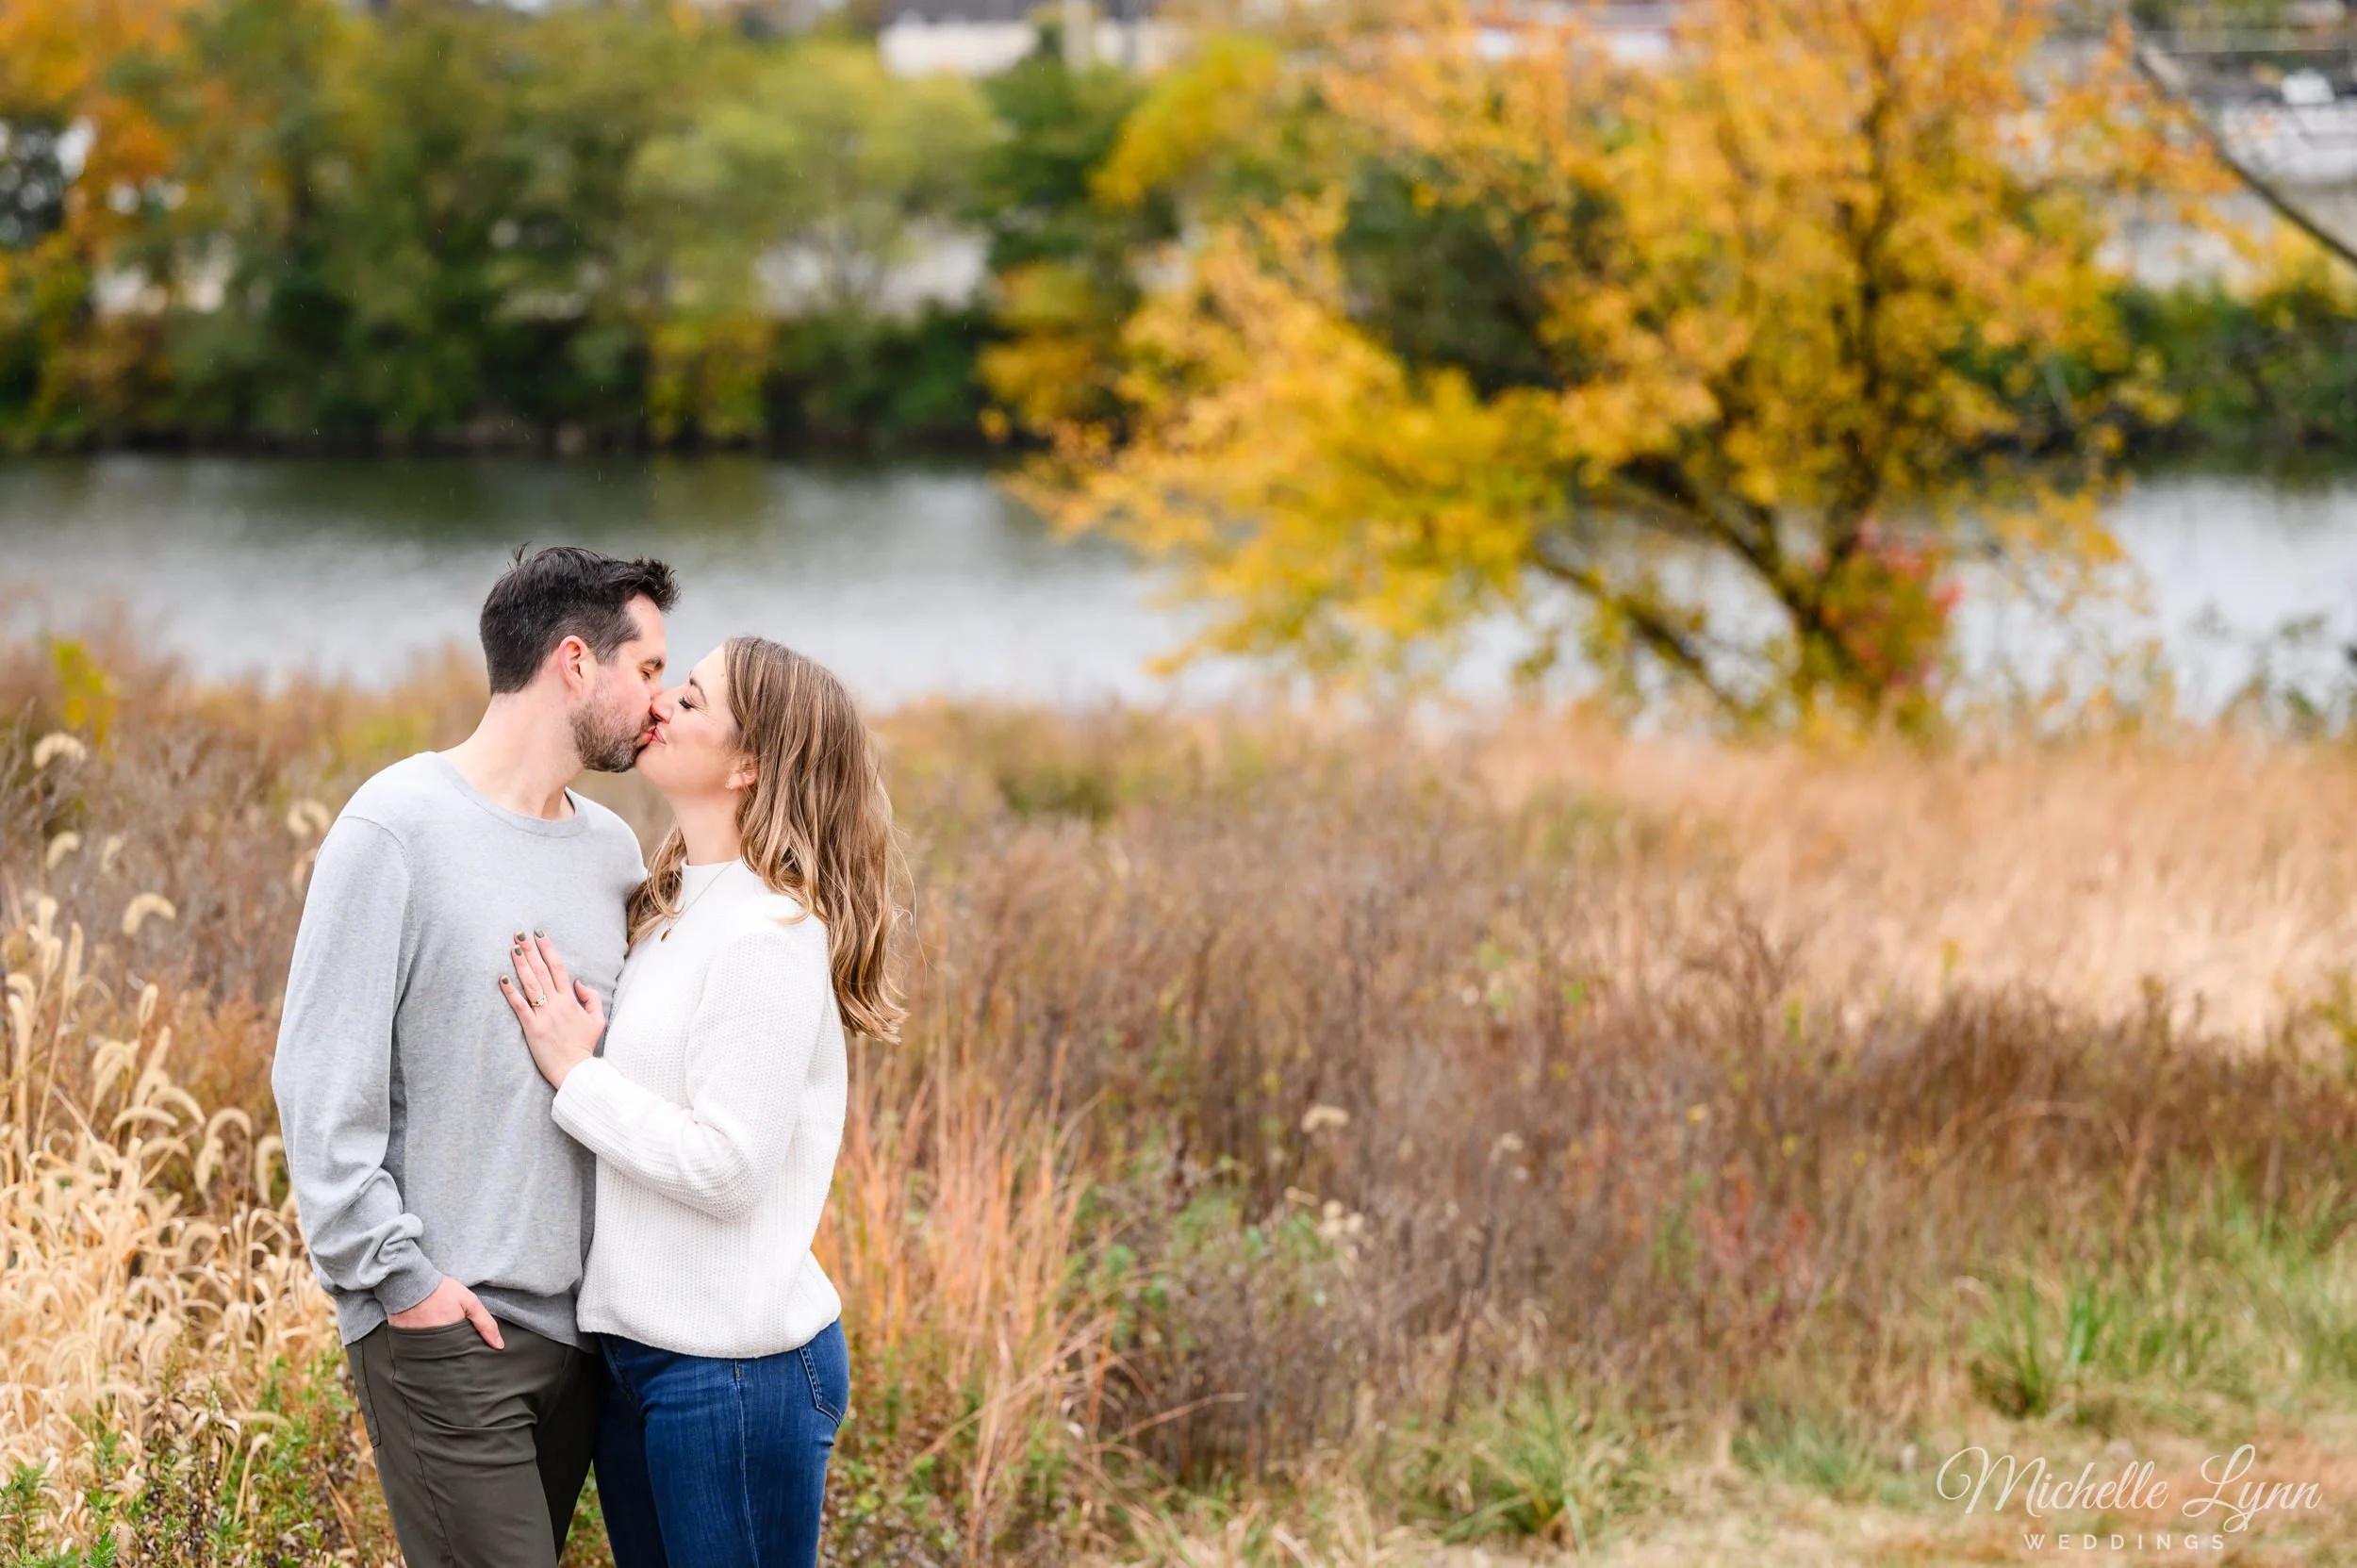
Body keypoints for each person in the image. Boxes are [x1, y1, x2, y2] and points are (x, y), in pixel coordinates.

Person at [272, 545, 677, 1568]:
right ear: (576, 663)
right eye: (649, 669)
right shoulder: (395, 829)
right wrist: (401, 1282)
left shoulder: (611, 853)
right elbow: (318, 1085)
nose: (660, 699)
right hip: (450, 1328)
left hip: (582, 1341)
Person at [498, 635, 907, 1568]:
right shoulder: (675, 905)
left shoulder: (769, 931)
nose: (660, 707)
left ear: (750, 763)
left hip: (735, 1372)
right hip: (638, 1359)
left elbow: (729, 1166)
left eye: (691, 701)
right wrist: (597, 1051)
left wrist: (579, 1073)